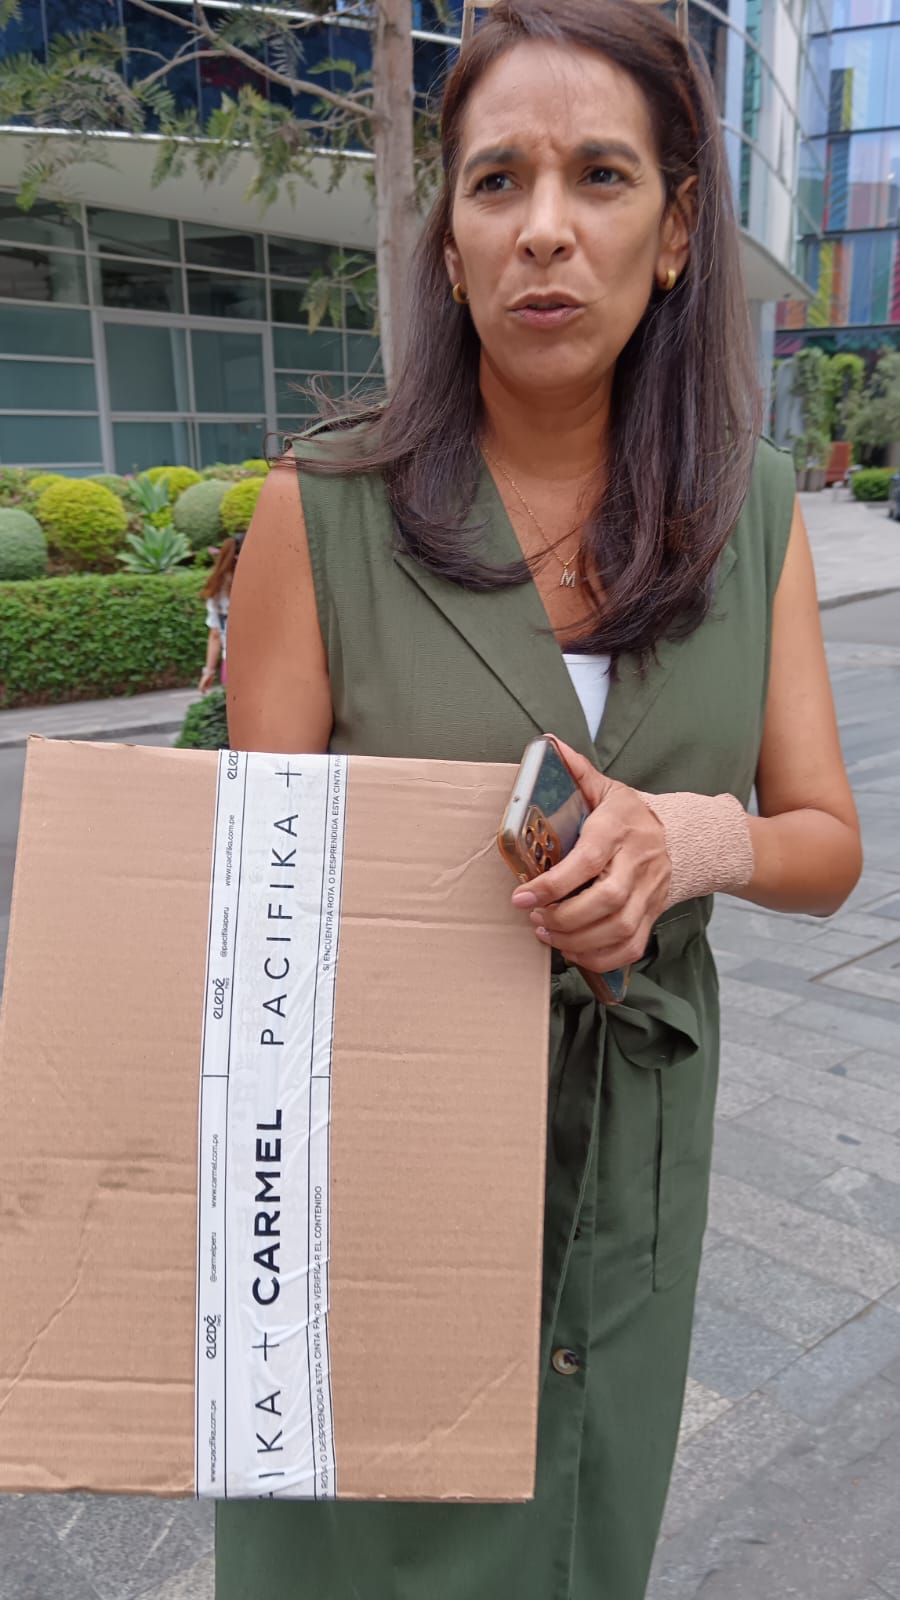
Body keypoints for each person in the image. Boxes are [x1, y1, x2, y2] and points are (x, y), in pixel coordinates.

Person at [224, 2, 862, 1596]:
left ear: (676, 234)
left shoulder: (752, 514)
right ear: (449, 243)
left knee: (578, 1543)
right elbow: (250, 913)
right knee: (350, 1554)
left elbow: (826, 844)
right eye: (497, 181)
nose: (545, 229)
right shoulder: (324, 512)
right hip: (379, 1164)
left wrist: (690, 838)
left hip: (629, 1157)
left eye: (601, 176)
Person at [197, 535, 240, 694]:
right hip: (266, 662)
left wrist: (208, 672)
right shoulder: (262, 585)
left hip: (232, 664)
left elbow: (215, 634)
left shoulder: (217, 588)